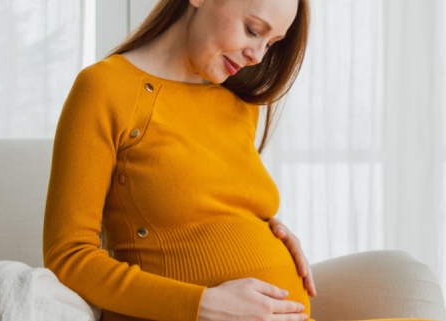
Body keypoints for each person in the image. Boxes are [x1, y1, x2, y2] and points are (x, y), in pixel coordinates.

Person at [41, 0, 315, 320]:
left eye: (270, 44)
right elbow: (68, 257)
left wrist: (272, 230)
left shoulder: (240, 104)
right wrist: (201, 304)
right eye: (252, 30)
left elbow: (211, 210)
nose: (257, 55)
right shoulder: (105, 88)